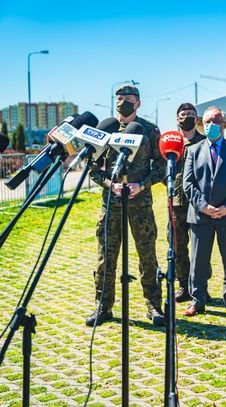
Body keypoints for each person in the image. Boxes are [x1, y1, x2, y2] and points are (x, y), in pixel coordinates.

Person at [86, 84, 165, 327]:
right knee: (106, 257)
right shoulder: (105, 130)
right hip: (111, 203)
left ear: (138, 103)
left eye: (128, 98)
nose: (123, 102)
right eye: (119, 98)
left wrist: (142, 184)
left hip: (140, 203)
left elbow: (161, 166)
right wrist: (110, 185)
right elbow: (93, 168)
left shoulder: (149, 130)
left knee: (147, 255)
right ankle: (103, 306)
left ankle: (154, 305)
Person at [182, 106, 226, 317]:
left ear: (224, 125)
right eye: (208, 121)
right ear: (202, 124)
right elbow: (188, 184)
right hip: (201, 216)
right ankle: (197, 300)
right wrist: (203, 206)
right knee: (198, 261)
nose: (211, 125)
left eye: (216, 121)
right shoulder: (193, 150)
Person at [171, 103, 210, 303]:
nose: (186, 117)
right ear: (177, 119)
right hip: (176, 202)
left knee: (200, 247)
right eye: (183, 114)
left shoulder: (204, 142)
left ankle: (201, 286)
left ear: (197, 119)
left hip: (199, 202)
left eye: (191, 114)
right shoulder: (171, 143)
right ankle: (184, 285)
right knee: (178, 245)